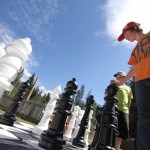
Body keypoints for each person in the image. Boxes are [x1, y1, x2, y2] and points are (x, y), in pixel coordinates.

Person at [111, 21, 150, 150]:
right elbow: (133, 68)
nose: (126, 38)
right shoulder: (134, 51)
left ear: (134, 29)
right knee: (144, 118)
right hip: (140, 83)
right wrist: (122, 81)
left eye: (126, 34)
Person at [112, 71, 133, 150]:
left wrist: (126, 109)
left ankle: (117, 148)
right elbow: (106, 94)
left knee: (120, 132)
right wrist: (111, 86)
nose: (117, 78)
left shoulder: (128, 88)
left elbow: (129, 102)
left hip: (124, 111)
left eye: (119, 77)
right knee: (110, 128)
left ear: (124, 78)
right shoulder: (114, 85)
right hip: (113, 109)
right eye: (116, 77)